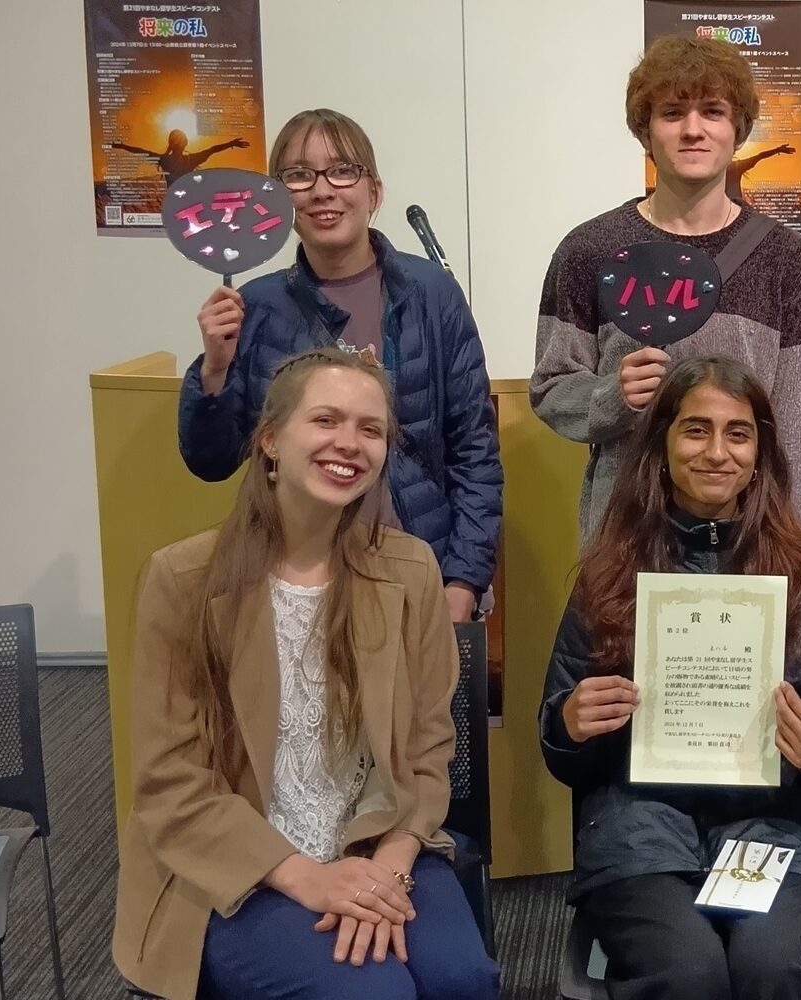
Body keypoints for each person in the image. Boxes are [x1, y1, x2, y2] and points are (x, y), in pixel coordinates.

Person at [114, 347, 501, 1000]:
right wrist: (304, 876)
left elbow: (430, 746)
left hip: (378, 838)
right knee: (371, 993)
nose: (348, 443)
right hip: (240, 863)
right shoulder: (183, 580)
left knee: (462, 979)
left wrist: (393, 867)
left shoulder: (410, 571)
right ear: (270, 440)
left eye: (370, 429)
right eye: (325, 420)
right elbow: (170, 782)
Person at [539, 358, 801, 1000]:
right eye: (696, 430)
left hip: (781, 832)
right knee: (685, 974)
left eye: (739, 433)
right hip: (642, 834)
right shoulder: (609, 571)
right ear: (661, 445)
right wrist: (572, 724)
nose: (717, 452)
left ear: (761, 452)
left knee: (770, 968)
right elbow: (558, 740)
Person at [179, 108, 501, 621]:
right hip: (290, 575)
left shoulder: (431, 295)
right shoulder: (256, 306)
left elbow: (475, 450)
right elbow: (211, 461)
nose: (322, 190)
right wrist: (214, 371)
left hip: (416, 566)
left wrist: (463, 580)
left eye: (342, 171)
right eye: (299, 175)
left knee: (414, 704)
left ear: (373, 192)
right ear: (277, 201)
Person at [531, 36, 801, 541]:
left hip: (749, 537)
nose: (693, 130)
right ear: (645, 131)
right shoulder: (589, 249)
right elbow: (551, 387)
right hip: (623, 535)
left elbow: (797, 431)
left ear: (739, 130)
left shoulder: (786, 260)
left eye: (712, 111)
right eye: (672, 113)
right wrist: (611, 396)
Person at [112, 129, 250, 183]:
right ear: (185, 143)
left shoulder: (164, 160)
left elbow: (140, 151)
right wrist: (231, 143)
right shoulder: (190, 160)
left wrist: (122, 146)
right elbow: (212, 149)